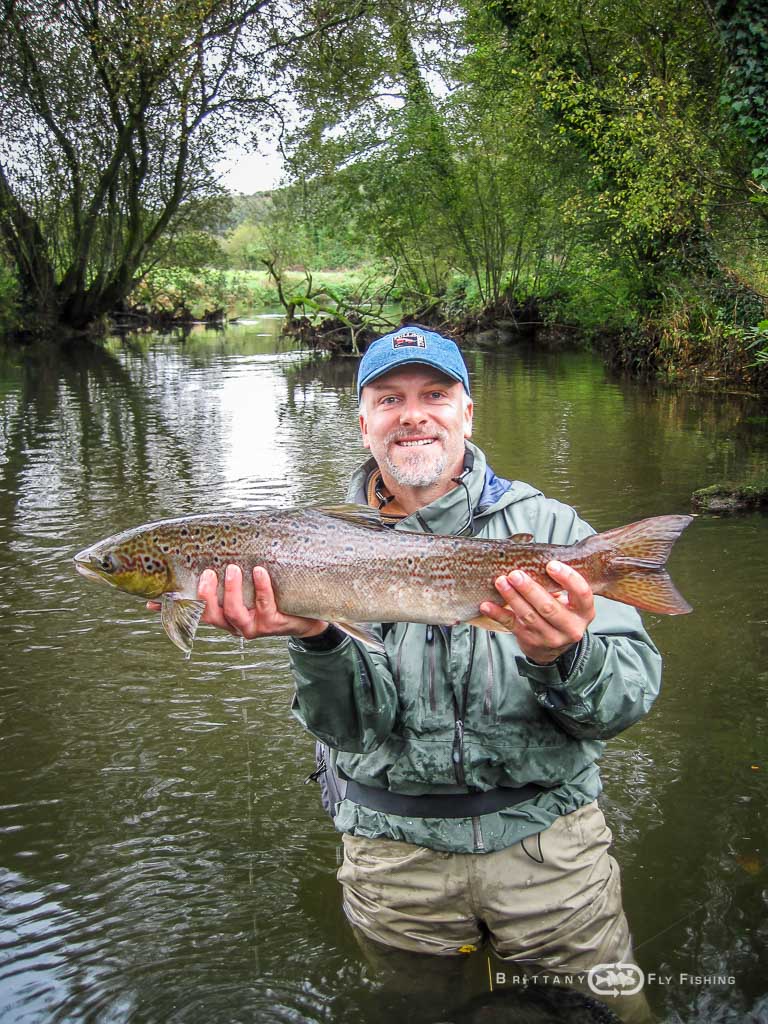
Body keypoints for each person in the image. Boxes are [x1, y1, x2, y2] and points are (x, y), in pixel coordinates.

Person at [192, 325, 659, 1021]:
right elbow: (352, 730)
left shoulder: (553, 529)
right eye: (389, 399)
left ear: (467, 412)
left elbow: (624, 704)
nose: (412, 414)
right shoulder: (312, 545)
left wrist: (564, 654)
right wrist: (317, 639)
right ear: (363, 423)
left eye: (434, 394)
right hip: (394, 868)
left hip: (554, 859)